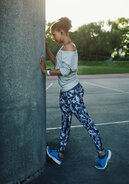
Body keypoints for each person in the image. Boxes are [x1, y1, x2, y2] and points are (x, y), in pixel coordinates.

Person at [40, 17, 111, 169]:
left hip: (73, 93)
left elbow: (64, 71)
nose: (53, 38)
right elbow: (58, 64)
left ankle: (103, 154)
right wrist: (47, 51)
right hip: (65, 93)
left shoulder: (70, 47)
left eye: (54, 35)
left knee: (87, 123)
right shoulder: (63, 48)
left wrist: (45, 71)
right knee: (65, 124)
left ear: (62, 31)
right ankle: (59, 155)